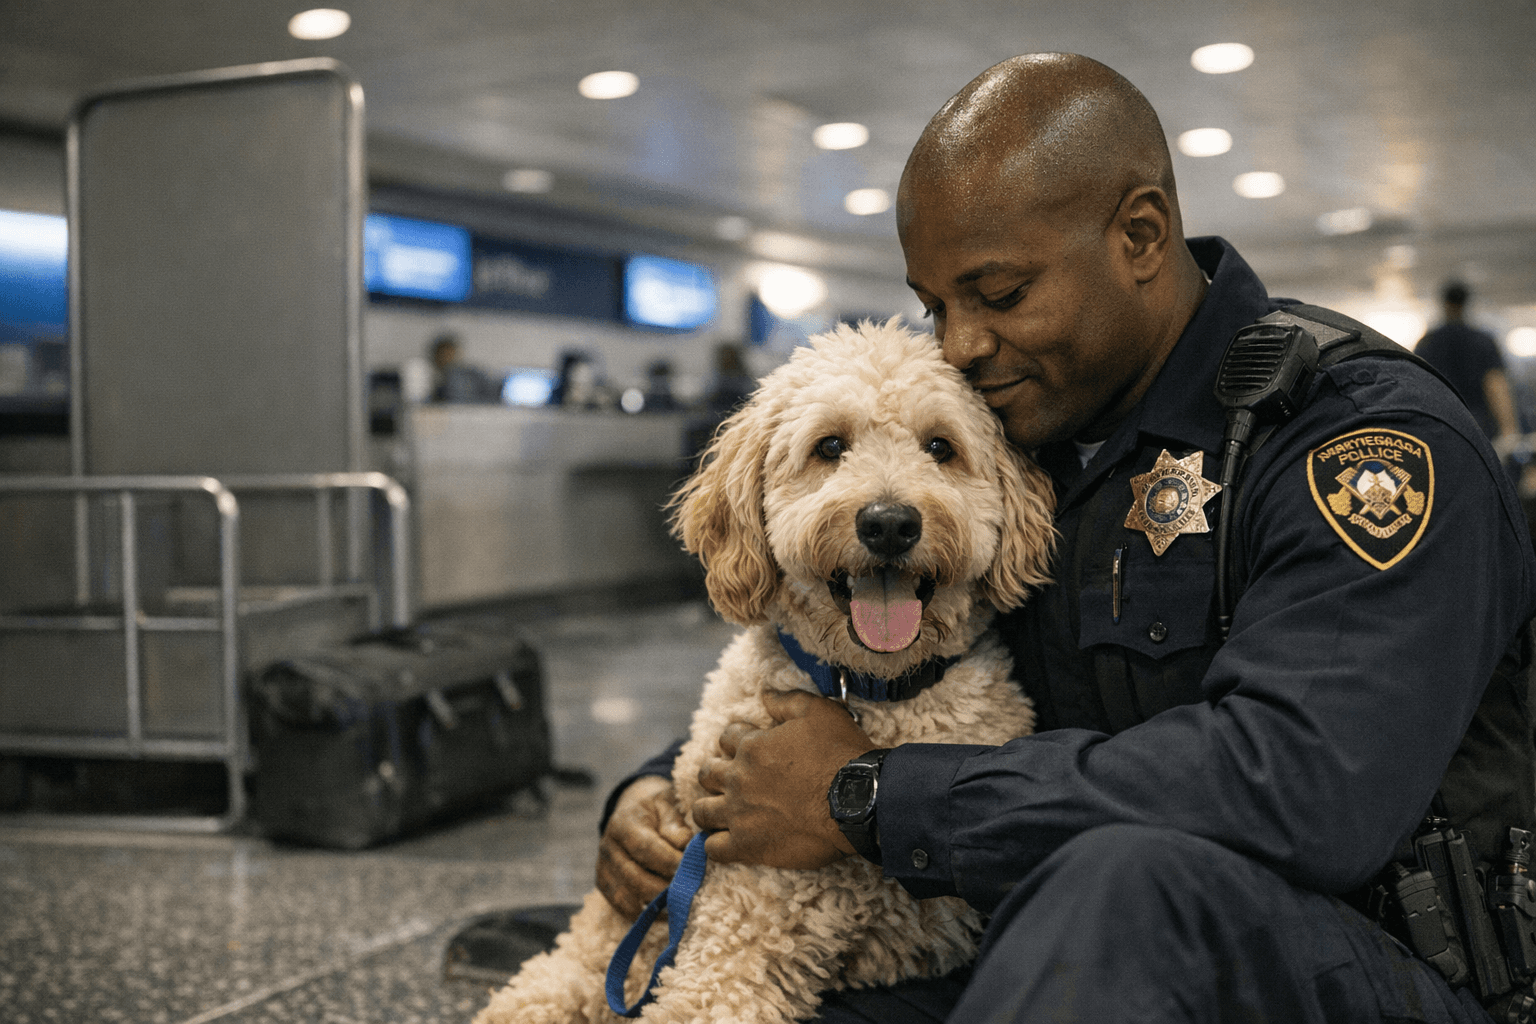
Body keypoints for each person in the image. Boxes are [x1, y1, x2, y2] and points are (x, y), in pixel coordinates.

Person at [596, 54, 1536, 1023]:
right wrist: (675, 793)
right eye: (936, 307)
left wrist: (870, 795)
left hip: (1358, 970)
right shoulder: (1034, 441)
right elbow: (898, 672)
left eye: (997, 295)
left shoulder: (1355, 443)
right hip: (1059, 948)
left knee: (1126, 884)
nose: (958, 344)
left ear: (1139, 235)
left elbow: (1300, 788)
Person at [1416, 282, 1522, 455]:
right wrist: (1509, 430)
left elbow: (1418, 386)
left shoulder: (1428, 342)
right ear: (1466, 304)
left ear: (1444, 304)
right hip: (1479, 427)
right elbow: (1495, 384)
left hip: (1440, 426)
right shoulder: (1482, 341)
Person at [429, 332, 501, 403]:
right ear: (436, 357)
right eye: (442, 354)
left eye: (449, 354)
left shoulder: (472, 374)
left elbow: (493, 390)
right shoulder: (431, 378)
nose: (446, 358)